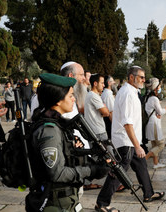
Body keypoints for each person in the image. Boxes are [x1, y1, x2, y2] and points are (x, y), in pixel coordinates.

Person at [27, 73, 109, 211]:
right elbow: (57, 173)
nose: (73, 99)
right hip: (55, 204)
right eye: (70, 95)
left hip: (66, 201)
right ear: (58, 101)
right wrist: (90, 171)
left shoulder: (58, 124)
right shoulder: (49, 131)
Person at [96, 66, 165, 212]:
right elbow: (127, 123)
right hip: (126, 141)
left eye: (144, 77)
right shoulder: (127, 93)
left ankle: (149, 194)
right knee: (119, 171)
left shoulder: (131, 92)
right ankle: (102, 203)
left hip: (131, 140)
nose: (143, 80)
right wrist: (137, 146)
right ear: (132, 77)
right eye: (141, 77)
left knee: (141, 166)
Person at [145, 78, 166, 168]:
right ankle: (145, 158)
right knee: (161, 145)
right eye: (159, 86)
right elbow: (160, 112)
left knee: (154, 144)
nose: (160, 88)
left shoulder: (148, 97)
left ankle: (156, 163)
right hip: (154, 123)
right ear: (155, 88)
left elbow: (154, 111)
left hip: (151, 122)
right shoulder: (154, 99)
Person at [84, 74, 109, 141]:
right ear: (95, 83)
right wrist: (104, 108)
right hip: (99, 132)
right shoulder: (93, 96)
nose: (104, 85)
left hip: (96, 131)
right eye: (102, 83)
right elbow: (106, 113)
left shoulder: (93, 95)